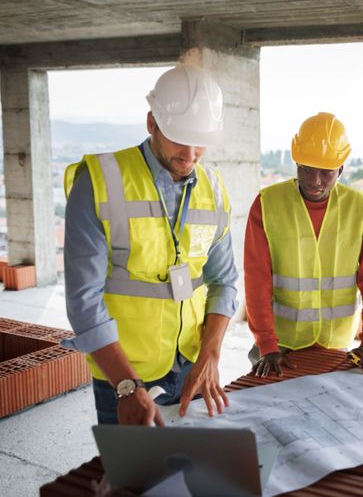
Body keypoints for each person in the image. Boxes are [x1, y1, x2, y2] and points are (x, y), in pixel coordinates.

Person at [62, 64, 238, 426]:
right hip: (125, 374)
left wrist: (210, 356)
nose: (190, 155)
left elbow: (224, 281)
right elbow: (83, 301)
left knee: (191, 476)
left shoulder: (214, 188)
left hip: (193, 364)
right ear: (151, 122)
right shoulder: (98, 181)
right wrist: (126, 386)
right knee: (133, 477)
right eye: (178, 138)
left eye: (199, 142)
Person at [245, 112, 363, 376]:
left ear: (341, 169)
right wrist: (266, 344)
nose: (314, 181)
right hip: (280, 347)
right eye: (305, 169)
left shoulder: (359, 207)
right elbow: (256, 279)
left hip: (336, 344)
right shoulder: (267, 203)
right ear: (296, 163)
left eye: (326, 172)